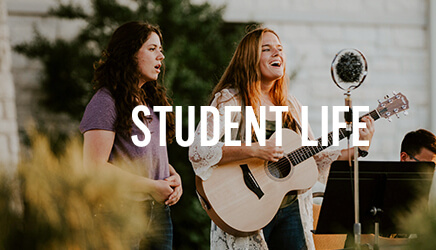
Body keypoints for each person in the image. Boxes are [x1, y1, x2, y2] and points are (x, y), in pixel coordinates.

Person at [188, 27, 375, 250]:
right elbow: (199, 150)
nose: (277, 54)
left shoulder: (291, 105)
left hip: (291, 209)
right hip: (246, 208)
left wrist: (360, 148)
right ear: (249, 59)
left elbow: (313, 158)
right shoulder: (229, 100)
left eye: (280, 49)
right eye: (267, 49)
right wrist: (255, 150)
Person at [79, 21, 182, 249]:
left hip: (159, 215)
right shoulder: (105, 102)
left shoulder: (150, 101)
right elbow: (95, 167)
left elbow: (147, 155)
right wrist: (152, 187)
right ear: (129, 54)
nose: (161, 57)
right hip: (120, 212)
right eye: (152, 49)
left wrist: (173, 177)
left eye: (161, 49)